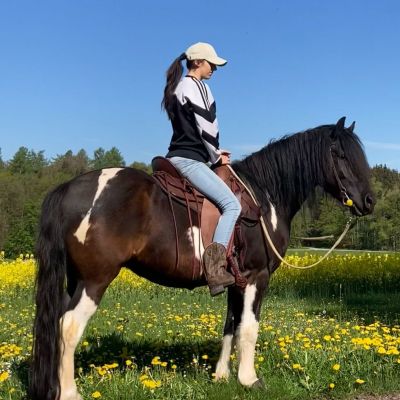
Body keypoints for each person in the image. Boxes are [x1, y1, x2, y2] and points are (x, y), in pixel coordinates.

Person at [161, 42, 241, 296]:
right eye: (211, 64)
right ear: (197, 62)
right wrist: (216, 156)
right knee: (232, 205)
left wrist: (214, 152)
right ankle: (215, 270)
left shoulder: (177, 87)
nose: (214, 70)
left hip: (176, 156)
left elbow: (190, 131)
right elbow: (206, 127)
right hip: (190, 161)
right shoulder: (198, 87)